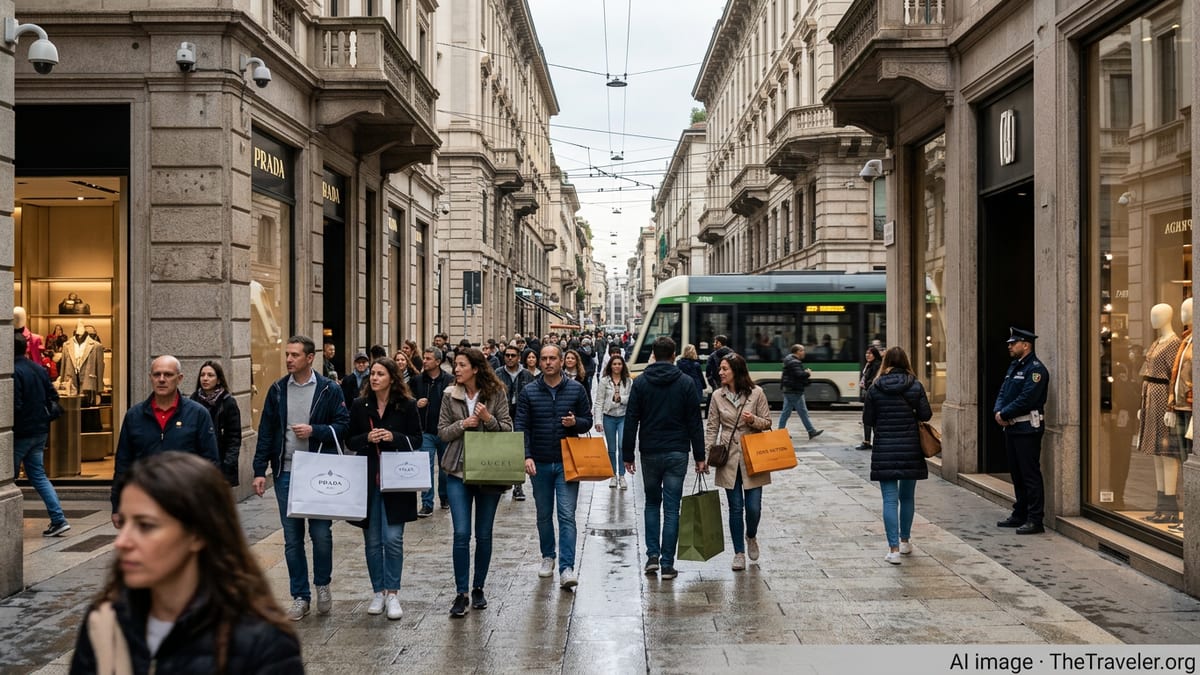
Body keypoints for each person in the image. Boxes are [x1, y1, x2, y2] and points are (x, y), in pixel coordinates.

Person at [70, 452, 302, 673]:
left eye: (146, 526)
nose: (122, 542)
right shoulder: (105, 622)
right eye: (125, 523)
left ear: (197, 535)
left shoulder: (263, 643)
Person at [251, 335, 351, 621]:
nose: (288, 360)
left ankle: (322, 584)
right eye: (287, 355)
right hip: (286, 472)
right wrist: (260, 471)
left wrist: (314, 431)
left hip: (318, 473)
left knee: (321, 535)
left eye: (295, 355)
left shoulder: (329, 389)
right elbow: (267, 432)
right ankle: (300, 596)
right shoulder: (278, 390)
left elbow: (343, 426)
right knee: (292, 539)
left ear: (310, 358)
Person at [437, 348, 513, 617]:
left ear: (476, 368)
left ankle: (478, 586)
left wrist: (487, 420)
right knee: (460, 533)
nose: (456, 369)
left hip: (488, 470)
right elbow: (443, 433)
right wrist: (464, 424)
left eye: (461, 365)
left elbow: (507, 429)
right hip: (457, 470)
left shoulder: (496, 394)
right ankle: (461, 592)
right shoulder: (450, 395)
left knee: (483, 534)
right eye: (455, 365)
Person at [622, 337, 706, 580]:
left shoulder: (641, 383)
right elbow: (694, 423)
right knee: (672, 509)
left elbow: (631, 419)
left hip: (649, 451)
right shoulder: (686, 382)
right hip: (677, 451)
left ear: (653, 355)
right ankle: (668, 564)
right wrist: (700, 456)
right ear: (673, 356)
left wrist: (627, 454)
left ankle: (652, 557)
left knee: (651, 503)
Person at [346, 358, 421, 620]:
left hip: (397, 481)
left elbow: (417, 440)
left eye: (380, 373)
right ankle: (377, 591)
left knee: (393, 539)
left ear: (392, 377)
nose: (374, 378)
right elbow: (350, 440)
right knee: (372, 540)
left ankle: (393, 593)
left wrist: (393, 437)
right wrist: (366, 438)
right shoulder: (359, 405)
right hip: (367, 480)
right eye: (372, 374)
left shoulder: (407, 405)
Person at [514, 344, 593, 590]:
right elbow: (521, 425)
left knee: (567, 515)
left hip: (568, 460)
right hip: (540, 461)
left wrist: (575, 422)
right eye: (544, 359)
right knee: (544, 514)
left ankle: (567, 567)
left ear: (561, 361)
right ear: (539, 362)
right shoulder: (529, 391)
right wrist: (526, 456)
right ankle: (548, 555)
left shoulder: (576, 389)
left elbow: (588, 420)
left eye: (552, 358)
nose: (548, 362)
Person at [112, 355, 220, 524]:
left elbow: (210, 462)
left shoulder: (198, 414)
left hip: (185, 504)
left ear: (180, 378)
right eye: (157, 375)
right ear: (150, 378)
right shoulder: (134, 416)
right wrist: (117, 505)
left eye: (168, 375)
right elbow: (123, 463)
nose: (161, 379)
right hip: (144, 503)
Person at [863, 346, 932, 563]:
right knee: (907, 497)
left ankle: (892, 550)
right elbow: (926, 414)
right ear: (906, 362)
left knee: (889, 500)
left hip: (885, 448)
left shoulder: (875, 387)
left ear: (886, 363)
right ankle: (905, 542)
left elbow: (868, 419)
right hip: (910, 447)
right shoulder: (916, 385)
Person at [706, 353, 772, 571]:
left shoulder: (757, 393)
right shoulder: (717, 396)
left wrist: (752, 420)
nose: (720, 372)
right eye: (720, 369)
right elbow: (712, 427)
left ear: (736, 370)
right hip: (728, 457)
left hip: (753, 455)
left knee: (753, 508)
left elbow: (767, 422)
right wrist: (707, 455)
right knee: (735, 508)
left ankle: (751, 535)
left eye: (725, 369)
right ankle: (739, 553)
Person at [994, 327, 1050, 535]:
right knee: (1016, 474)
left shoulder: (1035, 370)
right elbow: (1003, 391)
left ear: (1025, 345)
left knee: (1029, 474)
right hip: (1012, 427)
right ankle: (1020, 513)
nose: (1009, 346)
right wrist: (998, 411)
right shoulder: (1014, 367)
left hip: (1027, 428)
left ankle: (1035, 519)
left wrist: (1004, 413)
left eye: (1013, 343)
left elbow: (1028, 398)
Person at [14, 333, 69, 537]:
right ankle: (58, 519)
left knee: (6, 480)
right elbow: (53, 396)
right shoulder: (37, 368)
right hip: (40, 430)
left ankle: (7, 520)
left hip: (21, 433)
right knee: (38, 476)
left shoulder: (13, 371)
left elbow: (15, 404)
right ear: (27, 348)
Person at [412, 347, 454, 516]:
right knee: (426, 467)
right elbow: (406, 398)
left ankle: (444, 497)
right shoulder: (417, 380)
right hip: (426, 430)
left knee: (445, 469)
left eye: (428, 358)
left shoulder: (450, 380)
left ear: (438, 361)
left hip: (445, 431)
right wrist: (415, 403)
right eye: (424, 357)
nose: (425, 361)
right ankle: (427, 503)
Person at [189, 360, 243, 486]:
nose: (205, 379)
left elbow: (234, 438)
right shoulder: (193, 400)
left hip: (220, 462)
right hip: (197, 463)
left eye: (210, 375)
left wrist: (227, 466)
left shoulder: (228, 402)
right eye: (202, 375)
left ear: (218, 380)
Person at [497, 345, 535, 501]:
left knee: (519, 448)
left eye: (513, 355)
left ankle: (518, 486)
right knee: (503, 447)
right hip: (502, 413)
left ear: (519, 357)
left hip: (521, 413)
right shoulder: (498, 373)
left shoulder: (526, 375)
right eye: (507, 355)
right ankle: (500, 481)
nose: (510, 358)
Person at [593, 352, 632, 490]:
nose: (617, 366)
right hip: (608, 417)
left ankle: (622, 475)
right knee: (611, 448)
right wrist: (598, 421)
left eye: (619, 364)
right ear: (610, 365)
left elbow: (631, 399)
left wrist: (621, 398)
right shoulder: (604, 381)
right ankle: (613, 475)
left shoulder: (628, 381)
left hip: (623, 416)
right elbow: (599, 402)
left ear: (623, 366)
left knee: (622, 445)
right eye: (614, 364)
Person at [779, 344, 823, 440]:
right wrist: (807, 373)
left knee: (787, 412)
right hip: (794, 390)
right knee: (801, 412)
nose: (804, 352)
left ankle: (781, 432)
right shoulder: (794, 362)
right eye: (802, 350)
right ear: (797, 352)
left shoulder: (790, 360)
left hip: (790, 389)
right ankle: (811, 431)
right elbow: (799, 375)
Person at [857, 346, 883, 450]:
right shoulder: (869, 365)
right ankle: (867, 441)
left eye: (870, 353)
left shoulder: (877, 365)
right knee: (868, 418)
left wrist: (865, 385)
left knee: (870, 418)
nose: (867, 355)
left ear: (875, 355)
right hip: (869, 394)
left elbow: (874, 380)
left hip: (874, 395)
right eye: (867, 353)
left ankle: (870, 442)